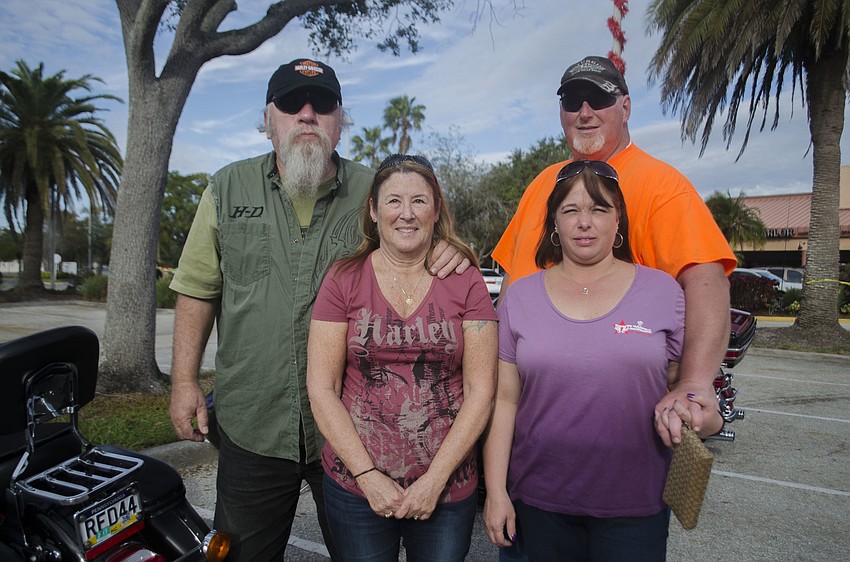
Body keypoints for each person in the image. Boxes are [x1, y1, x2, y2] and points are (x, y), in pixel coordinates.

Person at [168, 60, 467, 561]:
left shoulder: (378, 194)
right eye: (291, 104)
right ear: (269, 118)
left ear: (339, 119)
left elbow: (424, 247)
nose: (306, 115)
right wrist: (183, 382)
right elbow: (198, 289)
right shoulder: (227, 189)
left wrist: (449, 251)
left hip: (357, 435)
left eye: (322, 105)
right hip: (253, 423)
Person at [483, 161, 723, 560]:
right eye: (571, 211)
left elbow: (692, 397)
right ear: (554, 225)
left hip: (635, 506)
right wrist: (495, 493)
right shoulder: (520, 298)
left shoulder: (662, 292)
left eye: (599, 209)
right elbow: (505, 401)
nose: (584, 222)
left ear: (618, 222)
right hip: (540, 501)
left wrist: (697, 412)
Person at [493, 55, 736, 447]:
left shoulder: (663, 186)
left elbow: (707, 283)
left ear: (625, 107)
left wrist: (693, 384)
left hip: (620, 428)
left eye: (598, 99)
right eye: (573, 101)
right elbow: (511, 282)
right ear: (561, 113)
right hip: (528, 422)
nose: (584, 112)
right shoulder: (542, 185)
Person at [306, 154, 498, 561]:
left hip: (446, 489)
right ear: (374, 211)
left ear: (436, 210)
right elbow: (322, 388)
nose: (406, 214)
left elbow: (482, 390)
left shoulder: (465, 280)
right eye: (393, 201)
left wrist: (435, 480)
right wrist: (367, 475)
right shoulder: (343, 278)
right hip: (357, 486)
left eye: (419, 201)